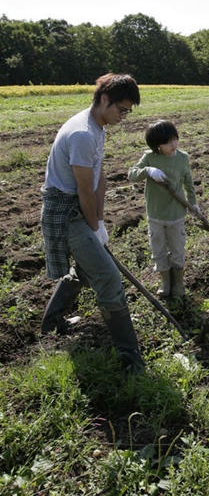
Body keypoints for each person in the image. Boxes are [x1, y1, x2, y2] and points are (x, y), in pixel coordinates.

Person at [40, 73, 145, 373]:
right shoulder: (83, 134)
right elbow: (84, 190)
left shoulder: (98, 127)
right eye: (121, 109)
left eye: (128, 111)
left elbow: (98, 178)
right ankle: (130, 358)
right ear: (103, 100)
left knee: (87, 269)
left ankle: (52, 321)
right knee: (109, 279)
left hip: (81, 210)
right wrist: (91, 225)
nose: (124, 116)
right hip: (66, 212)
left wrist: (99, 222)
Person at [128, 120, 197, 300]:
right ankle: (165, 282)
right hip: (156, 215)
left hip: (176, 215)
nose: (173, 145)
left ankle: (178, 283)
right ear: (157, 146)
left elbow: (189, 182)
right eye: (167, 142)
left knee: (177, 249)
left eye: (175, 139)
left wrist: (193, 203)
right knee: (158, 249)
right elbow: (131, 174)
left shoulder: (182, 158)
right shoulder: (150, 158)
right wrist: (148, 171)